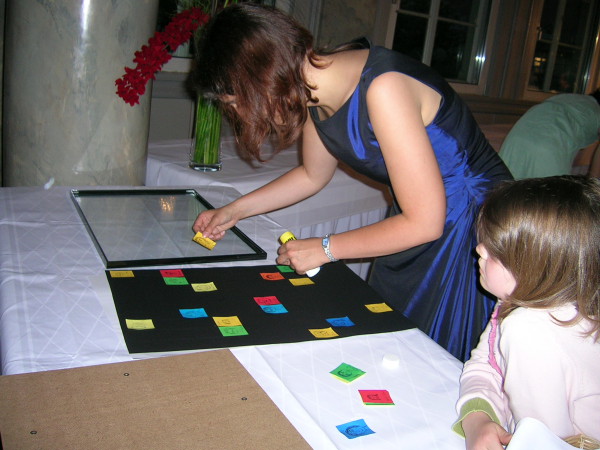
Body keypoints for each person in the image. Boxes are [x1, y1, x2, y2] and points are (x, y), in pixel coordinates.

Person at [191, 3, 512, 361]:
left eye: (235, 102)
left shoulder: (383, 89)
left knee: (441, 355)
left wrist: (326, 248)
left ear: (259, 76)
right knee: (397, 341)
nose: (237, 113)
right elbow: (311, 175)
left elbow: (425, 222)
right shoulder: (312, 88)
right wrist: (234, 211)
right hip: (419, 214)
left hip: (470, 223)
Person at [453, 176, 600, 449]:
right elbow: (487, 364)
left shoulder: (529, 328)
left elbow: (543, 441)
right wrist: (477, 418)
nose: (479, 250)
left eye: (495, 251)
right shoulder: (524, 299)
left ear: (537, 268)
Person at [499, 91, 600, 179]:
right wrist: (593, 184)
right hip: (548, 144)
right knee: (551, 194)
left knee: (506, 191)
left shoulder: (571, 99)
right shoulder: (594, 110)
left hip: (515, 138)